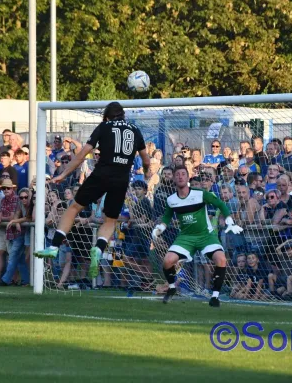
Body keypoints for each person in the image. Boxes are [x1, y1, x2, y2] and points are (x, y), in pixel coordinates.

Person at [34, 102, 151, 279]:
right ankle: (99, 248)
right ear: (123, 116)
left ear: (107, 116)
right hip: (121, 179)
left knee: (73, 208)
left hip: (101, 174)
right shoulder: (135, 130)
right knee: (110, 220)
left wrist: (65, 173)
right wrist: (148, 171)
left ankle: (54, 246)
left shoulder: (104, 126)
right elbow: (145, 159)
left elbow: (83, 154)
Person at [150, 166, 243, 307]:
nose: (180, 177)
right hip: (186, 237)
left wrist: (229, 220)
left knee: (221, 259)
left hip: (206, 235)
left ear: (187, 178)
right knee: (167, 261)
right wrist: (160, 228)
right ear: (174, 179)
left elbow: (220, 204)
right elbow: (167, 217)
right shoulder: (171, 199)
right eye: (178, 175)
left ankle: (215, 297)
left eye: (183, 174)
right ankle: (172, 288)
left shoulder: (201, 194)